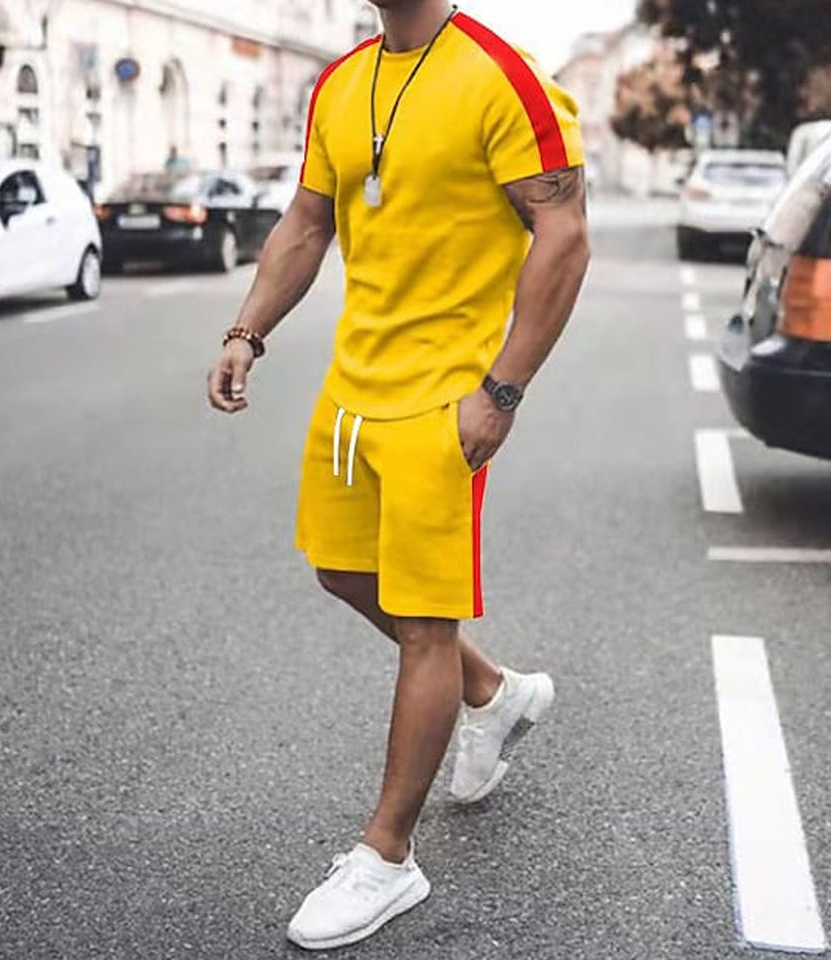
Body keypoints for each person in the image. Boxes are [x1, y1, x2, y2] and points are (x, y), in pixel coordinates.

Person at [207, 0, 590, 949]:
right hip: (352, 392)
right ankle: (492, 692)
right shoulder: (342, 82)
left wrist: (502, 391)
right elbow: (307, 222)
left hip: (445, 400)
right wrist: (247, 331)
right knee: (342, 572)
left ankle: (387, 857)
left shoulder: (501, 76)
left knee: (424, 623)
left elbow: (564, 233)